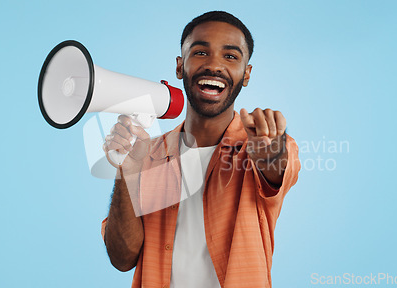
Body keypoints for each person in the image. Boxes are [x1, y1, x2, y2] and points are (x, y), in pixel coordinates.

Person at [101, 11, 300, 288]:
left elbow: (275, 164)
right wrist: (128, 172)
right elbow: (122, 259)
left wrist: (270, 151)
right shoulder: (147, 154)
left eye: (230, 56)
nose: (215, 66)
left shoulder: (260, 145)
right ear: (180, 66)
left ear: (246, 74)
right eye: (200, 53)